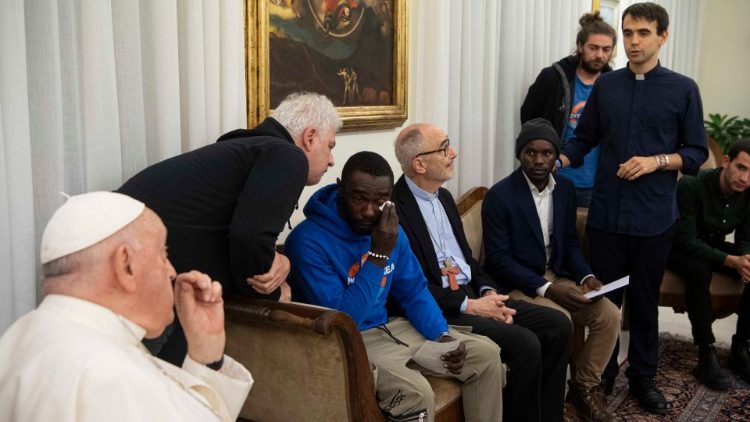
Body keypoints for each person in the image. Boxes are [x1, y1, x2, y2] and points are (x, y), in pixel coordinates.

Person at [558, 2, 708, 415]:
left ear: (663, 36)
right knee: (605, 304)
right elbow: (584, 139)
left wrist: (656, 161)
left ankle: (643, 377)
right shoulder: (608, 86)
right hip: (607, 215)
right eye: (627, 33)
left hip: (654, 219)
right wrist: (556, 161)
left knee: (643, 302)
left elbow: (695, 153)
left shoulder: (683, 89)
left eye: (643, 33)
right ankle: (600, 377)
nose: (633, 42)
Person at [118, 91, 341, 364]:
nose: (331, 160)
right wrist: (274, 292)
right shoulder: (288, 156)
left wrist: (280, 261)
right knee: (162, 382)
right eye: (330, 146)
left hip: (123, 267)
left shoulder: (245, 149)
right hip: (144, 279)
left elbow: (234, 232)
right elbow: (249, 238)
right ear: (310, 137)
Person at [285, 152, 504, 422]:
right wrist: (378, 256)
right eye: (359, 199)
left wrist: (441, 334)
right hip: (350, 341)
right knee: (417, 393)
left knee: (486, 355)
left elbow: (413, 291)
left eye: (380, 201)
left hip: (392, 327)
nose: (369, 211)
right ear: (341, 189)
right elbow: (344, 320)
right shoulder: (308, 242)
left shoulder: (390, 231)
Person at [0, 191, 253, 422]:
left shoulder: (19, 337)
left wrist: (206, 354)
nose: (172, 271)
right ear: (126, 265)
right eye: (163, 254)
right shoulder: (108, 374)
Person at [392, 123, 573, 422]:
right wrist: (472, 306)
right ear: (420, 164)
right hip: (440, 308)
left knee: (557, 325)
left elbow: (468, 262)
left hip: (474, 294)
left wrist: (489, 292)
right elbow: (409, 287)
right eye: (444, 147)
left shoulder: (443, 197)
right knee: (525, 344)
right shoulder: (395, 211)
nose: (453, 153)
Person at [482, 118, 620, 422]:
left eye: (547, 153)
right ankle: (549, 403)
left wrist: (586, 277)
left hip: (557, 275)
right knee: (560, 321)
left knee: (609, 315)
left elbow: (569, 242)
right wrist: (547, 289)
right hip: (518, 283)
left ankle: (583, 389)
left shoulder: (565, 189)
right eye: (531, 152)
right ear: (520, 154)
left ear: (556, 156)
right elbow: (499, 259)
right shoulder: (500, 195)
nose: (539, 160)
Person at [667, 139, 750, 390]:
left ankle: (740, 348)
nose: (745, 178)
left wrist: (744, 260)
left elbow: (744, 239)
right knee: (699, 270)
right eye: (741, 168)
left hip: (711, 244)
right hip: (676, 246)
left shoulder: (748, 193)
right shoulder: (691, 184)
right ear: (726, 162)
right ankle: (706, 352)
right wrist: (730, 261)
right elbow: (687, 241)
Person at [521, 11, 616, 207]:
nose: (600, 55)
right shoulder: (552, 78)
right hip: (553, 176)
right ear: (580, 46)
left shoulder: (614, 86)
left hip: (595, 181)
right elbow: (529, 120)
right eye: (593, 48)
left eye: (606, 49)